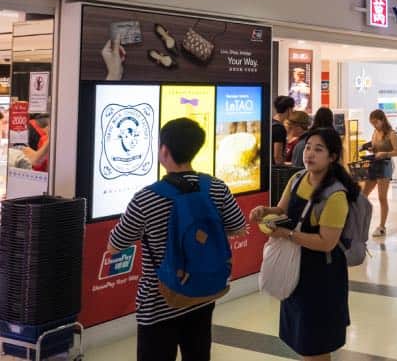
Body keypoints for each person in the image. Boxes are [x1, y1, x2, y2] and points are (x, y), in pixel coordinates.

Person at [108, 118, 247, 361]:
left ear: (164, 150)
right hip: (202, 292)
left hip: (159, 299)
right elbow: (238, 227)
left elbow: (116, 243)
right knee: (198, 354)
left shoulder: (146, 198)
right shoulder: (216, 187)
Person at [250, 127, 360, 360]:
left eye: (318, 149)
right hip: (296, 270)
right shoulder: (298, 178)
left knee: (316, 345)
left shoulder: (335, 195)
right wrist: (264, 211)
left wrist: (285, 234)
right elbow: (281, 209)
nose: (309, 153)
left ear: (332, 157)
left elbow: (326, 242)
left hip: (322, 277)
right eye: (308, 147)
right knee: (302, 340)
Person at [363, 109, 397, 237]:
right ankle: (362, 219)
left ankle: (382, 226)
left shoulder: (391, 133)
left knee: (382, 197)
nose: (374, 125)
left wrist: (385, 153)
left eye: (375, 122)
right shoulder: (375, 132)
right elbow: (375, 147)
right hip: (374, 164)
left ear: (382, 120)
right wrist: (371, 148)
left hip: (385, 165)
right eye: (372, 123)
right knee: (363, 194)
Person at [272, 96, 295, 166]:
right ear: (289, 109)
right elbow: (277, 157)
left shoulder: (270, 122)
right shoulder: (279, 128)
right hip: (274, 171)